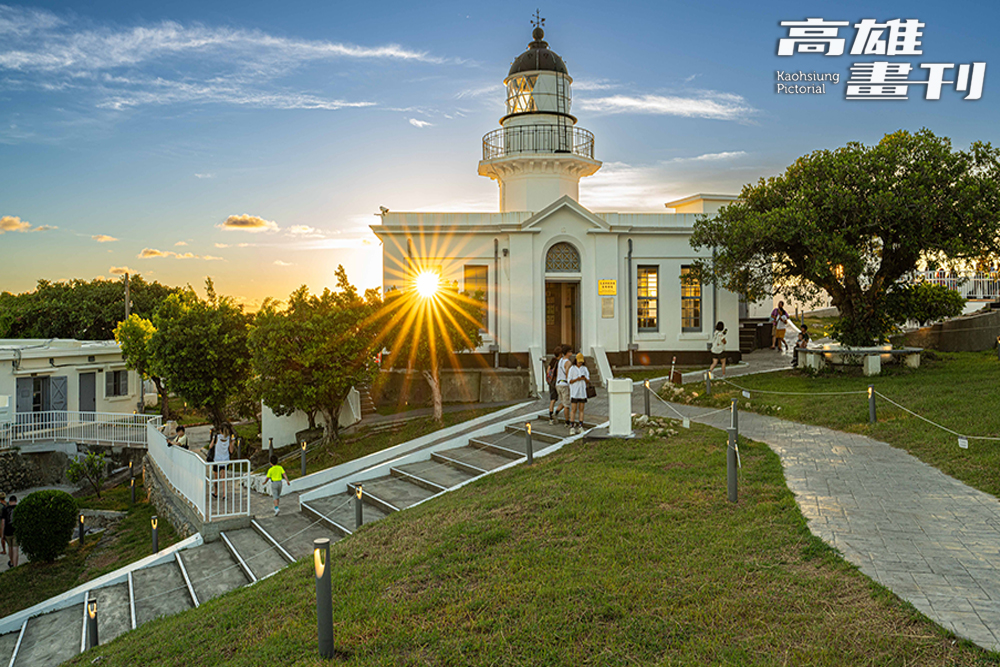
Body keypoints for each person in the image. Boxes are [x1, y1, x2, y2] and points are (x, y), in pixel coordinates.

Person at [567, 352, 591, 435]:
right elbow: (569, 380)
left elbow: (588, 379)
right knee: (573, 409)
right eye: (579, 361)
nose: (580, 363)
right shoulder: (572, 369)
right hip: (574, 391)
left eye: (581, 362)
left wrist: (584, 378)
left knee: (581, 409)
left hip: (582, 392)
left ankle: (580, 425)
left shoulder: (584, 369)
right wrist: (577, 379)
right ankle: (572, 426)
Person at [212, 424, 235, 501]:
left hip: (217, 460)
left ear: (220, 431)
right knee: (224, 478)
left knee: (216, 477)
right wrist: (233, 443)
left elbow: (210, 446)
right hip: (225, 460)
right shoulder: (229, 439)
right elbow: (231, 451)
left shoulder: (216, 437)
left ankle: (216, 493)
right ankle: (224, 494)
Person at [556, 347, 574, 428]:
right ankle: (567, 421)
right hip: (564, 384)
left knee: (563, 401)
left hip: (558, 383)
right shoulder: (568, 362)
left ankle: (556, 413)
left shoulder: (560, 360)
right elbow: (567, 373)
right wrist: (570, 383)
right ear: (567, 353)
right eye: (570, 351)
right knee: (567, 404)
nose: (571, 353)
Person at [547, 345, 565, 424]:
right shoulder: (561, 361)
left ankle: (550, 418)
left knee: (552, 400)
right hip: (558, 382)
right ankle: (556, 413)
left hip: (551, 382)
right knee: (565, 400)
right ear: (560, 354)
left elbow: (548, 370)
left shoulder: (553, 360)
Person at [2, 495, 17, 568]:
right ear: (16, 501)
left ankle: (11, 562)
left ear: (9, 502)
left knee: (10, 548)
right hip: (15, 530)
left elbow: (3, 523)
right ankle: (15, 565)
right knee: (15, 549)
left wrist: (2, 534)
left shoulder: (5, 509)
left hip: (7, 531)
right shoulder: (18, 508)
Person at [0, 492, 6, 556]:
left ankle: (4, 550)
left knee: (2, 536)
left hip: (1, 521)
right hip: (7, 520)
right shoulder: (7, 503)